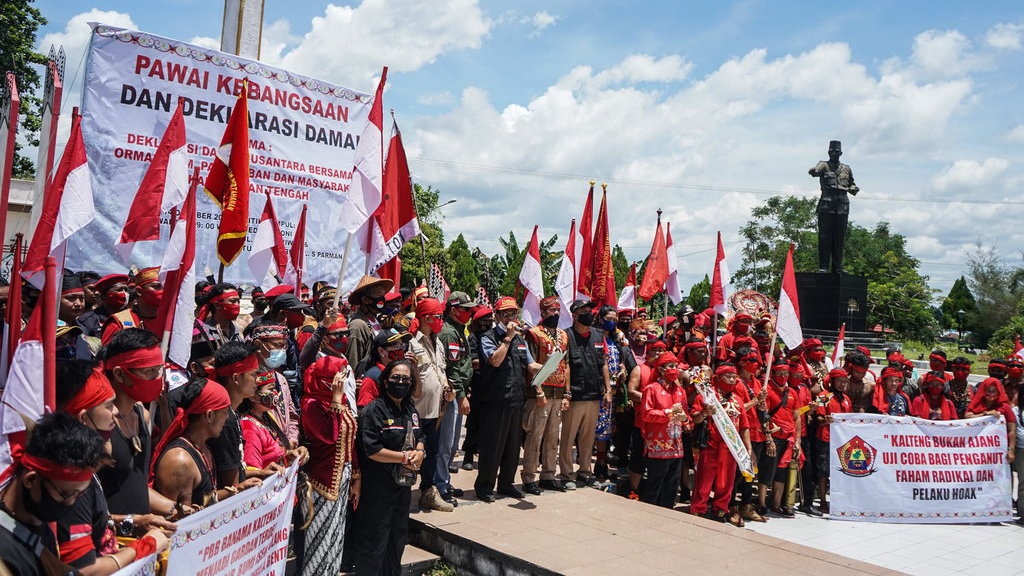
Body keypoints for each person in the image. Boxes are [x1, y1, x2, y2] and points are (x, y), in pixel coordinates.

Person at [54, 361, 172, 573]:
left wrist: (134, 522)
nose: (116, 412)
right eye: (108, 406)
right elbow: (83, 570)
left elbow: (99, 524)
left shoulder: (86, 471)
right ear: (83, 418)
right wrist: (145, 546)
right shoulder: (71, 481)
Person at [0, 413, 109, 575]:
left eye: (78, 495)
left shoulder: (40, 527)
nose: (71, 504)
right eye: (66, 494)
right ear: (31, 480)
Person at [356, 359, 425, 576]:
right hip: (378, 489)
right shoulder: (373, 410)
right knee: (374, 544)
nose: (401, 382)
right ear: (385, 381)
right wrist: (404, 457)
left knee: (397, 540)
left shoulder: (409, 408)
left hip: (402, 488)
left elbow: (420, 435)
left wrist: (420, 451)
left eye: (406, 379)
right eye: (396, 378)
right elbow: (372, 449)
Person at [475, 296, 542, 501]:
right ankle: (485, 486)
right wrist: (507, 338)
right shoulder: (488, 337)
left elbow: (530, 365)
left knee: (512, 447)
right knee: (492, 446)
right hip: (495, 400)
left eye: (513, 313)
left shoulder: (521, 340)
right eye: (505, 314)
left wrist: (549, 365)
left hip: (516, 399)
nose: (509, 317)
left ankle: (506, 484)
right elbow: (495, 361)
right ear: (496, 315)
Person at [302, 354, 361, 576]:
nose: (343, 383)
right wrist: (336, 399)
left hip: (342, 479)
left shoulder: (340, 401)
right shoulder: (311, 404)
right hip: (321, 482)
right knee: (319, 543)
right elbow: (330, 436)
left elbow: (350, 440)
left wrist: (357, 477)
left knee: (336, 538)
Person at [152, 378, 252, 507]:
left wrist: (239, 489)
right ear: (209, 415)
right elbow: (180, 519)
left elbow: (200, 501)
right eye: (224, 412)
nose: (227, 417)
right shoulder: (180, 460)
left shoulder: (204, 447)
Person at [689, 364, 752, 526]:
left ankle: (720, 510)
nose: (732, 379)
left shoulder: (738, 400)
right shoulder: (706, 398)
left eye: (734, 376)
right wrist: (704, 413)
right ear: (717, 378)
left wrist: (748, 448)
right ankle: (698, 509)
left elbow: (744, 426)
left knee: (726, 483)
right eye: (728, 376)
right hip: (710, 446)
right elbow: (694, 419)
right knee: (704, 482)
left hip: (731, 449)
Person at [558, 300, 611, 489]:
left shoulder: (598, 335)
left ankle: (585, 472)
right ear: (574, 314)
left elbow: (603, 363)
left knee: (588, 437)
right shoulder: (566, 335)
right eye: (584, 311)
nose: (589, 313)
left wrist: (608, 390)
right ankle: (566, 474)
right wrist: (567, 392)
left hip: (595, 394)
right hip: (576, 396)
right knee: (568, 436)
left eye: (590, 310)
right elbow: (566, 366)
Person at [409, 297, 455, 511]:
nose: (441, 321)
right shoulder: (412, 341)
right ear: (426, 318)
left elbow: (440, 370)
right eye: (437, 317)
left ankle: (428, 492)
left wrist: (446, 387)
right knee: (411, 452)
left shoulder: (438, 342)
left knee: (432, 453)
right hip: (416, 409)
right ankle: (403, 494)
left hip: (437, 409)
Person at [522, 295, 570, 495]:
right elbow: (530, 365)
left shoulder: (563, 335)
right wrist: (538, 391)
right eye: (551, 310)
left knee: (553, 437)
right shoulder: (533, 334)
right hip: (540, 394)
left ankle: (549, 475)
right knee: (535, 436)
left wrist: (567, 393)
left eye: (558, 310)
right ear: (542, 312)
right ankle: (529, 478)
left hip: (558, 393)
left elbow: (566, 365)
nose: (556, 313)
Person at [209, 342, 266, 488]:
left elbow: (236, 469)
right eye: (253, 374)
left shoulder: (231, 414)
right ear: (235, 379)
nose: (258, 380)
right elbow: (231, 486)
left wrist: (262, 473)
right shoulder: (224, 420)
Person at [639, 352, 691, 508]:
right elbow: (646, 414)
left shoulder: (680, 391)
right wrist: (667, 413)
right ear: (661, 369)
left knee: (671, 486)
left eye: (676, 366)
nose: (674, 369)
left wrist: (685, 419)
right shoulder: (652, 389)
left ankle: (667, 514)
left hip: (676, 446)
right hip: (657, 445)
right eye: (670, 366)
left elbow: (686, 415)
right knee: (654, 485)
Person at [437, 292, 476, 485]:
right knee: (446, 444)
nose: (470, 312)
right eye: (466, 309)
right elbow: (452, 369)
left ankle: (444, 481)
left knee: (452, 445)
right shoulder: (449, 332)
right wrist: (461, 395)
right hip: (451, 395)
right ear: (454, 310)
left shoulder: (459, 330)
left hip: (459, 391)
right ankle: (440, 484)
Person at [625, 339, 668, 499]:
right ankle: (634, 490)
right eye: (654, 350)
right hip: (642, 421)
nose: (657, 354)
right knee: (638, 456)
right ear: (648, 353)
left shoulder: (668, 372)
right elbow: (631, 392)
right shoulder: (639, 369)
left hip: (663, 425)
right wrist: (650, 399)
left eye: (661, 350)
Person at [809, 139, 859, 272]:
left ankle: (837, 267)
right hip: (827, 203)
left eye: (836, 151)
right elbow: (816, 170)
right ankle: (824, 266)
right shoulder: (824, 165)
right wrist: (813, 171)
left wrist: (854, 188)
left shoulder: (846, 168)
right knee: (825, 237)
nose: (833, 153)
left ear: (840, 153)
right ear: (828, 152)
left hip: (842, 205)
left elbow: (851, 183)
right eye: (831, 151)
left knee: (839, 238)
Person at [814, 368, 854, 513]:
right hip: (825, 439)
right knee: (823, 472)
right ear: (832, 381)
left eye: (845, 381)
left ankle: (838, 500)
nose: (842, 384)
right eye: (840, 381)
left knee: (840, 472)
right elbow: (818, 419)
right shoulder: (823, 397)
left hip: (842, 442)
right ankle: (823, 501)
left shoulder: (847, 399)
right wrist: (826, 420)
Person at [461, 306, 494, 470]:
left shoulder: (494, 337)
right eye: (484, 320)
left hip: (492, 385)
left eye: (490, 320)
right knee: (473, 422)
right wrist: (491, 362)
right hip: (478, 384)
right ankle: (468, 454)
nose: (488, 323)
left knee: (489, 423)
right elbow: (472, 362)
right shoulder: (473, 338)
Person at [594, 305, 623, 481]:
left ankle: (602, 463)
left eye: (614, 319)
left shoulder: (615, 339)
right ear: (600, 318)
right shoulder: (596, 337)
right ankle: (594, 464)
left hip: (614, 388)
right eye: (609, 319)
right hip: (599, 389)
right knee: (596, 428)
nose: (612, 322)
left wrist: (622, 366)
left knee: (607, 429)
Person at [346, 275, 395, 371]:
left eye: (383, 295)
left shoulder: (376, 321)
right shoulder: (358, 325)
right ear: (365, 300)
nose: (382, 299)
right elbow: (354, 362)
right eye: (378, 294)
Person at [101, 266, 162, 344]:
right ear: (139, 291)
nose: (163, 290)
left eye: (165, 286)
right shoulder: (119, 322)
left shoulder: (172, 320)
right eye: (157, 286)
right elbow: (105, 355)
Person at [76, 274, 131, 338]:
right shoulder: (88, 320)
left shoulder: (132, 316)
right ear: (104, 295)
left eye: (126, 290)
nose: (124, 294)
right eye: (119, 290)